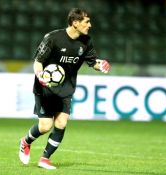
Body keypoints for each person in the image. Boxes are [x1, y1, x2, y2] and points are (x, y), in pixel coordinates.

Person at [18, 8, 111, 170]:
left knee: (61, 122)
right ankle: (26, 141)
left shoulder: (86, 41)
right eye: (86, 21)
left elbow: (92, 62)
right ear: (75, 23)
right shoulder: (53, 38)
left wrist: (100, 65)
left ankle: (45, 159)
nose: (90, 25)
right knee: (45, 126)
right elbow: (38, 61)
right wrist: (40, 75)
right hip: (45, 87)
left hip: (66, 88)